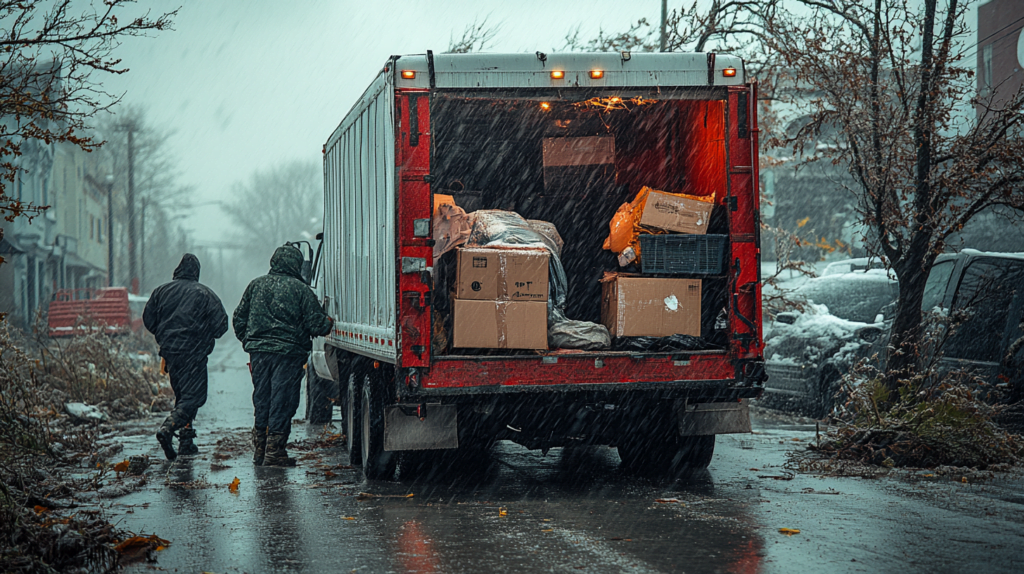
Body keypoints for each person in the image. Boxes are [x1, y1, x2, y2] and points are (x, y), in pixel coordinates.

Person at [233, 245, 333, 467]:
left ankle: (260, 449)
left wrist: (250, 341)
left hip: (259, 354)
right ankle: (275, 450)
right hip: (288, 355)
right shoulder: (300, 290)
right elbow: (317, 324)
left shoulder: (255, 285)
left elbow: (239, 318)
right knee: (282, 400)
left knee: (262, 399)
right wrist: (329, 322)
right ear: (296, 265)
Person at [143, 253, 229, 461]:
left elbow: (148, 320)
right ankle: (168, 428)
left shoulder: (160, 292)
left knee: (182, 397)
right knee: (194, 398)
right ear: (196, 272)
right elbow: (221, 326)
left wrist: (165, 335)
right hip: (194, 353)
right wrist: (203, 334)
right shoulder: (205, 294)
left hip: (171, 354)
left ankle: (186, 441)